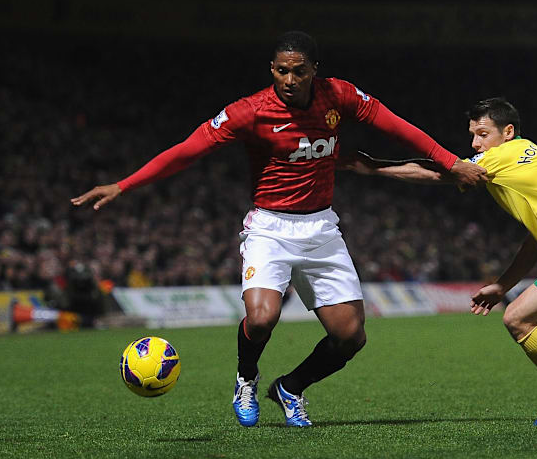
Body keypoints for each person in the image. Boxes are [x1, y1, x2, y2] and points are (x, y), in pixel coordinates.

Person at [71, 30, 486, 427]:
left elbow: (397, 126)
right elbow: (186, 151)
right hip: (269, 228)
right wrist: (122, 185)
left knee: (351, 336)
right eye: (281, 70)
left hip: (321, 227)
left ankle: (290, 388)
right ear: (271, 68)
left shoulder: (338, 95)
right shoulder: (249, 112)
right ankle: (245, 380)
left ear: (314, 70)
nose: (289, 79)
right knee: (263, 318)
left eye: (299, 70)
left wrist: (451, 162)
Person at [343, 97, 537, 426]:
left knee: (517, 319)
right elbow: (534, 242)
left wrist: (372, 166)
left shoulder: (503, 157)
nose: (475, 144)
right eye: (472, 135)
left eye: (482, 134)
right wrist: (502, 285)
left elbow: (442, 172)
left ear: (508, 132)